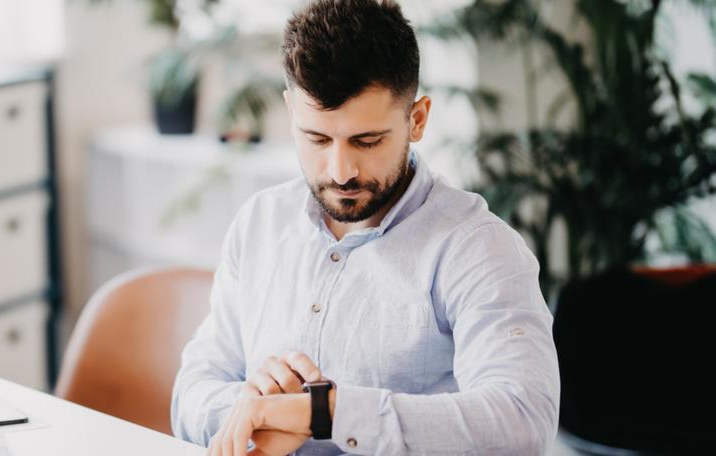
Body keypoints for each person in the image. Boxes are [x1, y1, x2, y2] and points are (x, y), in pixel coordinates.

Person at [171, 0, 560, 454]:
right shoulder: (260, 222)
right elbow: (189, 395)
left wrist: (326, 413)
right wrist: (252, 408)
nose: (340, 171)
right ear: (290, 109)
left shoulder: (478, 248)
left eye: (367, 140)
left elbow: (522, 421)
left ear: (416, 120)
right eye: (316, 138)